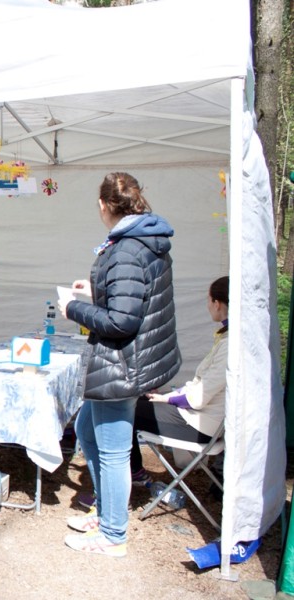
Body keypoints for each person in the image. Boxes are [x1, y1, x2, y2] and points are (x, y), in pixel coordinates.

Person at [58, 172, 181, 557]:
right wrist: (96, 290)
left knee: (111, 450)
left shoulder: (128, 248)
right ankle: (107, 510)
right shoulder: (142, 240)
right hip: (125, 360)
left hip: (122, 364)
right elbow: (133, 298)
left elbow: (122, 321)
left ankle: (113, 534)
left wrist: (74, 308)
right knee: (85, 430)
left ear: (104, 205)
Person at [131, 276, 229, 478]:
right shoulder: (230, 339)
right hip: (202, 419)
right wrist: (170, 395)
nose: (208, 305)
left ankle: (131, 472)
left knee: (123, 409)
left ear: (217, 304)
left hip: (200, 425)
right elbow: (202, 386)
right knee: (135, 401)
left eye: (209, 300)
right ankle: (134, 470)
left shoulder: (231, 345)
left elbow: (199, 397)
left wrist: (168, 398)